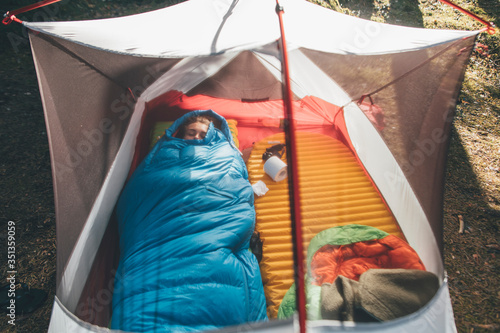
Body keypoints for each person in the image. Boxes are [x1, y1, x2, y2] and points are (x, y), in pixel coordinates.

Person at [111, 110, 268, 333]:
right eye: (190, 133)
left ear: (213, 136)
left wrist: (239, 157)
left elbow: (233, 182)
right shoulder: (164, 153)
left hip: (212, 228)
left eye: (202, 133)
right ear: (179, 134)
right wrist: (160, 150)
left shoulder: (224, 153)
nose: (195, 137)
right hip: (161, 228)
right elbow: (141, 190)